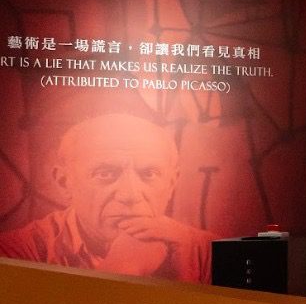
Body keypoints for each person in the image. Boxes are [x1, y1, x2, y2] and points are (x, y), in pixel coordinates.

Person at [0, 112, 213, 281]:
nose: (130, 195)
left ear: (171, 183)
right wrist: (124, 269)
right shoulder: (12, 254)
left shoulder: (210, 252)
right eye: (105, 174)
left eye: (149, 174)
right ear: (64, 182)